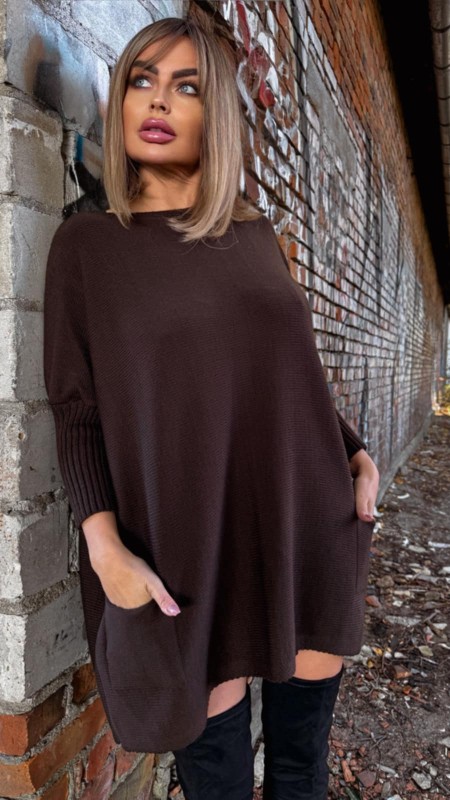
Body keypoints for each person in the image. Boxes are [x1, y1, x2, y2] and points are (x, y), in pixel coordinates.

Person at [43, 12, 380, 800]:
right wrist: (104, 548)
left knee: (300, 771)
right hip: (189, 550)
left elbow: (283, 375)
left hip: (306, 524)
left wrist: (355, 452)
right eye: (142, 80)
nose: (159, 100)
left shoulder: (255, 236)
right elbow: (76, 409)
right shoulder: (88, 249)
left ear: (215, 114)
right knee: (218, 781)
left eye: (186, 87)